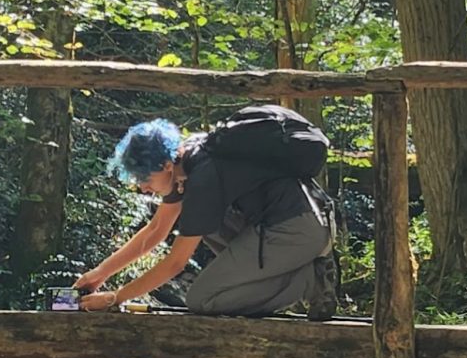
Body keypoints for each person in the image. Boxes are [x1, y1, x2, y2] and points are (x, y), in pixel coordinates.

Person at [75, 118, 337, 320]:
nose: (143, 188)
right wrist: (99, 274)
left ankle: (307, 279)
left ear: (166, 165)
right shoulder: (188, 160)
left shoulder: (202, 178)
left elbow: (175, 263)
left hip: (297, 228)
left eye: (145, 179)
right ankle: (298, 272)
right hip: (292, 222)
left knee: (203, 300)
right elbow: (156, 230)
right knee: (200, 224)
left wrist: (115, 299)